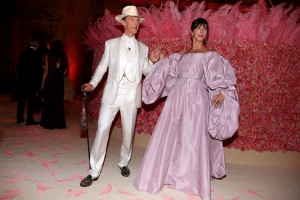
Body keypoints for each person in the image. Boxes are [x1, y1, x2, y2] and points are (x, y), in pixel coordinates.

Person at [133, 18, 240, 200]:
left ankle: (192, 179)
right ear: (191, 32)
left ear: (206, 34)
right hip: (176, 98)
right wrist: (160, 61)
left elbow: (220, 78)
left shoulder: (210, 56)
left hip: (197, 99)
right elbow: (168, 73)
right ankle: (170, 174)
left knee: (192, 137)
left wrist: (221, 93)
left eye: (205, 29)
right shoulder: (180, 56)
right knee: (173, 135)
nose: (201, 31)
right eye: (198, 28)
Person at [80, 5, 162, 187]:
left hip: (131, 96)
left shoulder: (143, 48)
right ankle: (94, 171)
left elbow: (148, 72)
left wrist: (153, 62)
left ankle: (124, 162)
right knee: (101, 130)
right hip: (112, 94)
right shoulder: (111, 45)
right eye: (132, 19)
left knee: (128, 133)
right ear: (123, 22)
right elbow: (102, 67)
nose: (135, 23)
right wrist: (93, 83)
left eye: (137, 20)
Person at [40, 39, 68, 129]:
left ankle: (48, 123)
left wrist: (42, 82)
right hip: (59, 80)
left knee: (49, 101)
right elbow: (64, 72)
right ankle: (59, 123)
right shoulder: (64, 56)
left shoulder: (48, 55)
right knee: (58, 102)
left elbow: (46, 70)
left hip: (51, 80)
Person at [16, 36, 43, 125]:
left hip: (22, 81)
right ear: (37, 45)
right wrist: (39, 84)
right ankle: (29, 119)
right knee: (31, 101)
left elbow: (18, 67)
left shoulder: (23, 53)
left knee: (21, 100)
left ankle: (19, 118)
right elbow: (39, 71)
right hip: (32, 82)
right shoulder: (37, 55)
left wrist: (19, 77)